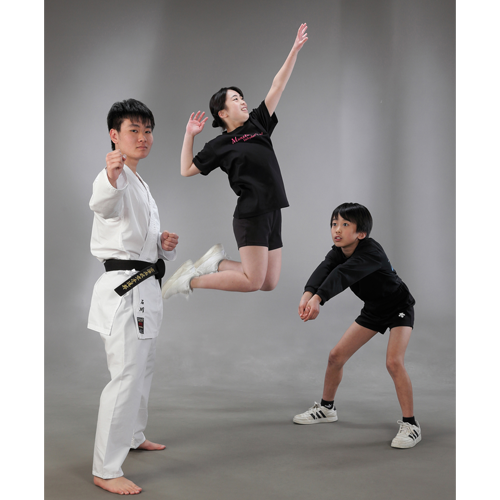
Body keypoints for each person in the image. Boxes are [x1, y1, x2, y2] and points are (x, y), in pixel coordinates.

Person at [161, 24, 308, 300]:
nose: (243, 102)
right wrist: (189, 135)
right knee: (253, 281)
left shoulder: (258, 122)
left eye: (242, 98)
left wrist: (294, 50)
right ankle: (190, 280)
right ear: (222, 112)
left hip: (273, 210)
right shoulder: (220, 145)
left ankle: (216, 263)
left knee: (269, 282)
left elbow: (277, 85)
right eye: (235, 99)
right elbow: (186, 169)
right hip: (251, 215)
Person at [88, 98, 179, 494]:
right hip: (124, 292)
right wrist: (111, 177)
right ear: (114, 135)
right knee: (125, 376)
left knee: (143, 369)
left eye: (147, 131)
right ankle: (106, 469)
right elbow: (104, 205)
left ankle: (133, 435)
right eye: (133, 130)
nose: (143, 137)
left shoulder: (141, 184)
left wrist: (162, 245)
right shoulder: (114, 175)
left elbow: (138, 242)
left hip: (145, 287)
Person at [293, 203, 421, 449]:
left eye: (345, 224)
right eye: (334, 224)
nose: (337, 230)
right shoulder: (339, 251)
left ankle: (411, 425)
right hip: (374, 309)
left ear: (361, 233)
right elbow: (325, 269)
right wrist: (307, 295)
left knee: (394, 362)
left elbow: (342, 275)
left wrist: (318, 299)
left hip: (399, 307)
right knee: (336, 356)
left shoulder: (371, 252)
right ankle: (327, 409)